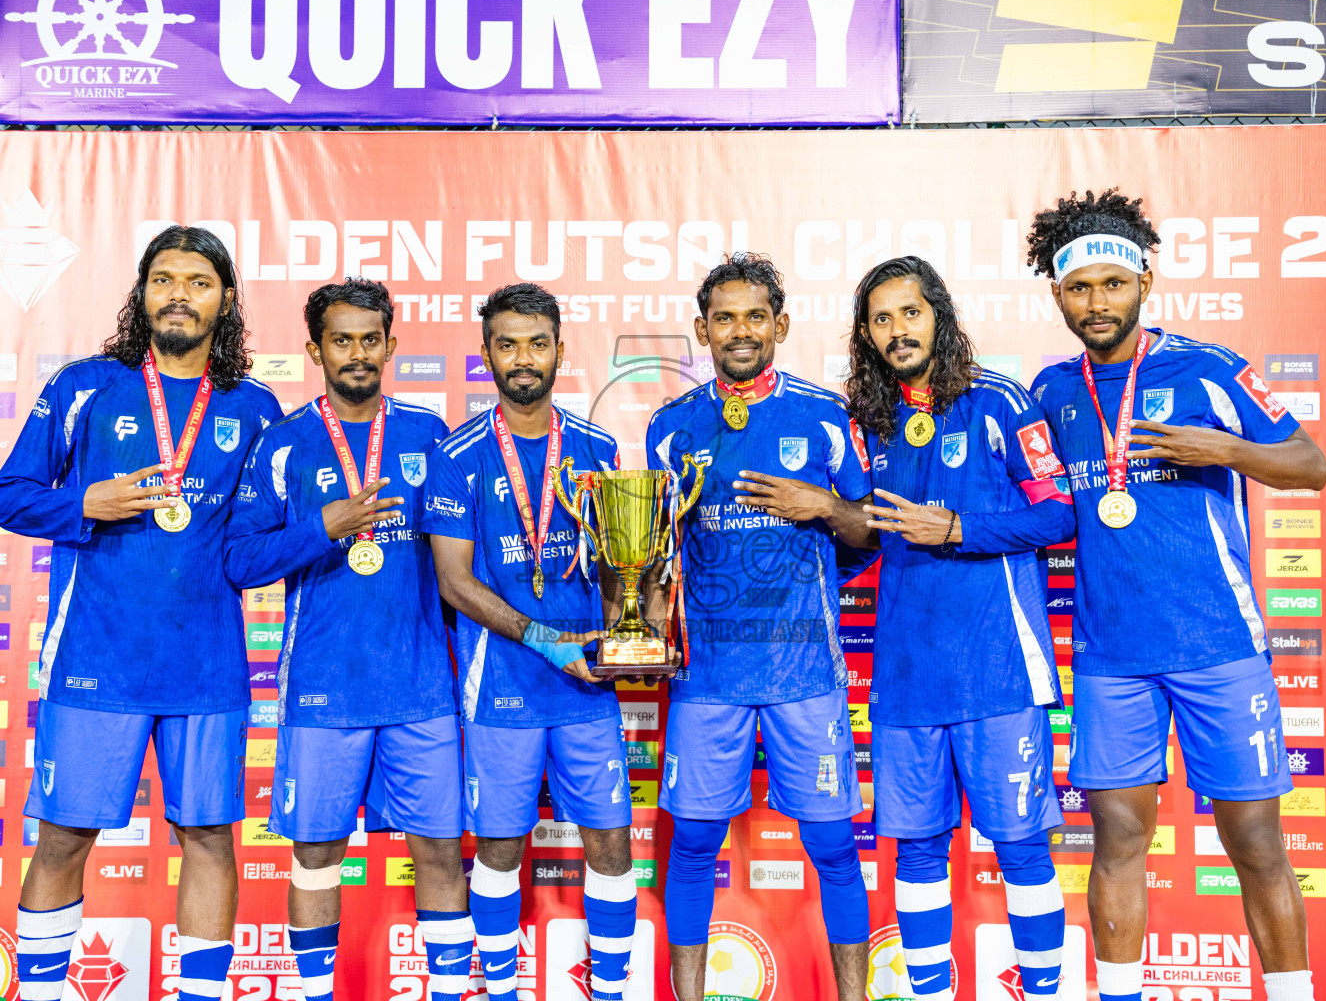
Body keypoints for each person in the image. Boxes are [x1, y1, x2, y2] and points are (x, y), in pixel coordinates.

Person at [1025, 189, 1326, 1001]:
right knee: (1116, 839)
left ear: (1144, 282)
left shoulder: (1207, 369)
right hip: (1109, 656)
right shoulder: (1050, 392)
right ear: (1056, 293)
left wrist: (1223, 447)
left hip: (1218, 647)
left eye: (1112, 285)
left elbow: (1311, 467)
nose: (1096, 302)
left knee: (1256, 842)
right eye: (1079, 288)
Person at [0, 226, 281, 1001]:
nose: (179, 293)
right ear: (141, 293)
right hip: (96, 659)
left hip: (207, 666)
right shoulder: (84, 386)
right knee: (63, 838)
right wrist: (84, 501)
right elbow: (8, 497)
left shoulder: (253, 406)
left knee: (212, 837)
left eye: (198, 280)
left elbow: (261, 539)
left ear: (226, 300)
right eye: (163, 278)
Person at [223, 278, 470, 1001]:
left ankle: (451, 991)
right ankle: (313, 993)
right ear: (314, 350)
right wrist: (320, 528)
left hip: (419, 686)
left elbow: (461, 562)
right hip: (322, 687)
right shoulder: (283, 443)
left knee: (438, 853)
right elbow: (239, 561)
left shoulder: (429, 435)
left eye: (370, 339)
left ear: (391, 346)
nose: (356, 354)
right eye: (341, 340)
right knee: (315, 854)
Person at [839, 255, 1075, 1001]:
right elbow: (860, 537)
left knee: (1021, 846)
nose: (896, 330)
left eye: (909, 312)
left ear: (937, 313)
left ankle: (1041, 990)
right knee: (914, 850)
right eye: (880, 319)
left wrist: (958, 527)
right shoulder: (866, 423)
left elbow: (1059, 512)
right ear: (866, 336)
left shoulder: (1001, 402)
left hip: (997, 669)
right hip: (906, 680)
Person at [643, 254, 874, 1000]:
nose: (738, 332)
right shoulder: (670, 427)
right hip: (707, 674)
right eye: (723, 318)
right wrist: (646, 595)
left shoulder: (824, 416)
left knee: (835, 846)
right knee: (693, 847)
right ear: (701, 329)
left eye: (753, 317)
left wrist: (824, 508)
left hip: (804, 672)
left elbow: (869, 533)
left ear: (779, 324)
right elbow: (651, 544)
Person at [424, 283, 636, 1001]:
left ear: (558, 351)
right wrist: (548, 639)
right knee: (500, 849)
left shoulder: (597, 447)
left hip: (585, 689)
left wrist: (626, 634)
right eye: (507, 344)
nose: (523, 358)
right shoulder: (457, 453)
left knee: (610, 843)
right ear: (486, 355)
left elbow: (620, 565)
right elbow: (453, 582)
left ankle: (608, 990)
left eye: (536, 343)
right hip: (502, 688)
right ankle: (504, 991)